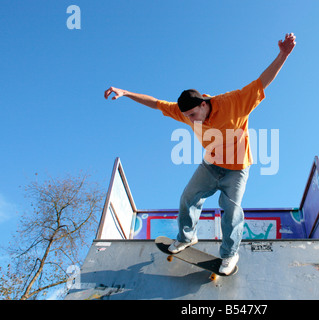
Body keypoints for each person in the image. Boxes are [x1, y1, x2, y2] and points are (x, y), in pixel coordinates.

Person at [104, 33, 296, 274]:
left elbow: (262, 82)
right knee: (188, 197)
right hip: (210, 166)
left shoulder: (234, 101)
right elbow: (155, 103)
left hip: (237, 170)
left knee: (232, 211)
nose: (190, 120)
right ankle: (187, 237)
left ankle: (229, 255)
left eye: (193, 115)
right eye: (187, 117)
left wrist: (283, 55)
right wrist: (126, 92)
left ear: (204, 103)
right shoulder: (185, 112)